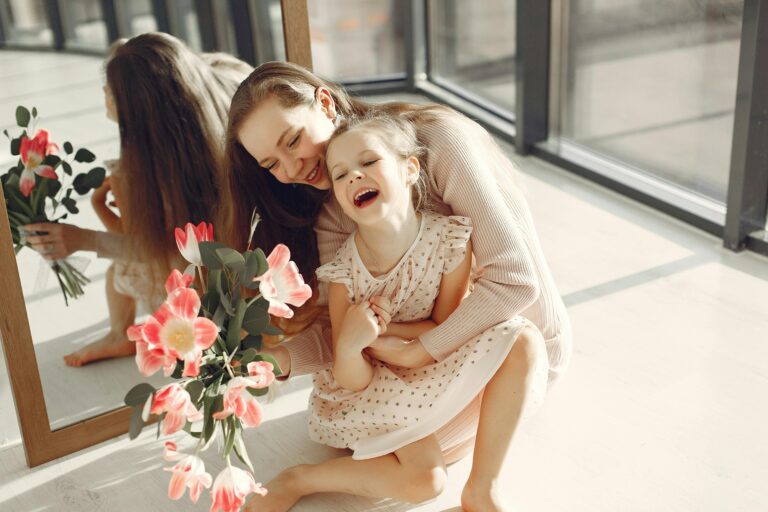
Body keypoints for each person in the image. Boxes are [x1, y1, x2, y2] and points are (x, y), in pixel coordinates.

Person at [224, 61, 572, 512]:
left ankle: (474, 487)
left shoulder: (439, 143)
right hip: (417, 368)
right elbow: (344, 330)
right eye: (271, 163)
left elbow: (514, 282)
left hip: (515, 352)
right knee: (405, 462)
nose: (292, 167)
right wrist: (280, 360)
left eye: (293, 140)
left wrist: (418, 349)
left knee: (411, 457)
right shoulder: (335, 210)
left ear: (324, 103)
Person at [23, 33, 251, 367]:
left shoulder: (160, 170)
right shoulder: (209, 98)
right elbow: (145, 235)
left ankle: (123, 333)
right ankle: (123, 331)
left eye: (110, 89)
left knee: (128, 268)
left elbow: (163, 249)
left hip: (229, 274)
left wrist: (85, 239)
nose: (104, 94)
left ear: (138, 110)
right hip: (238, 256)